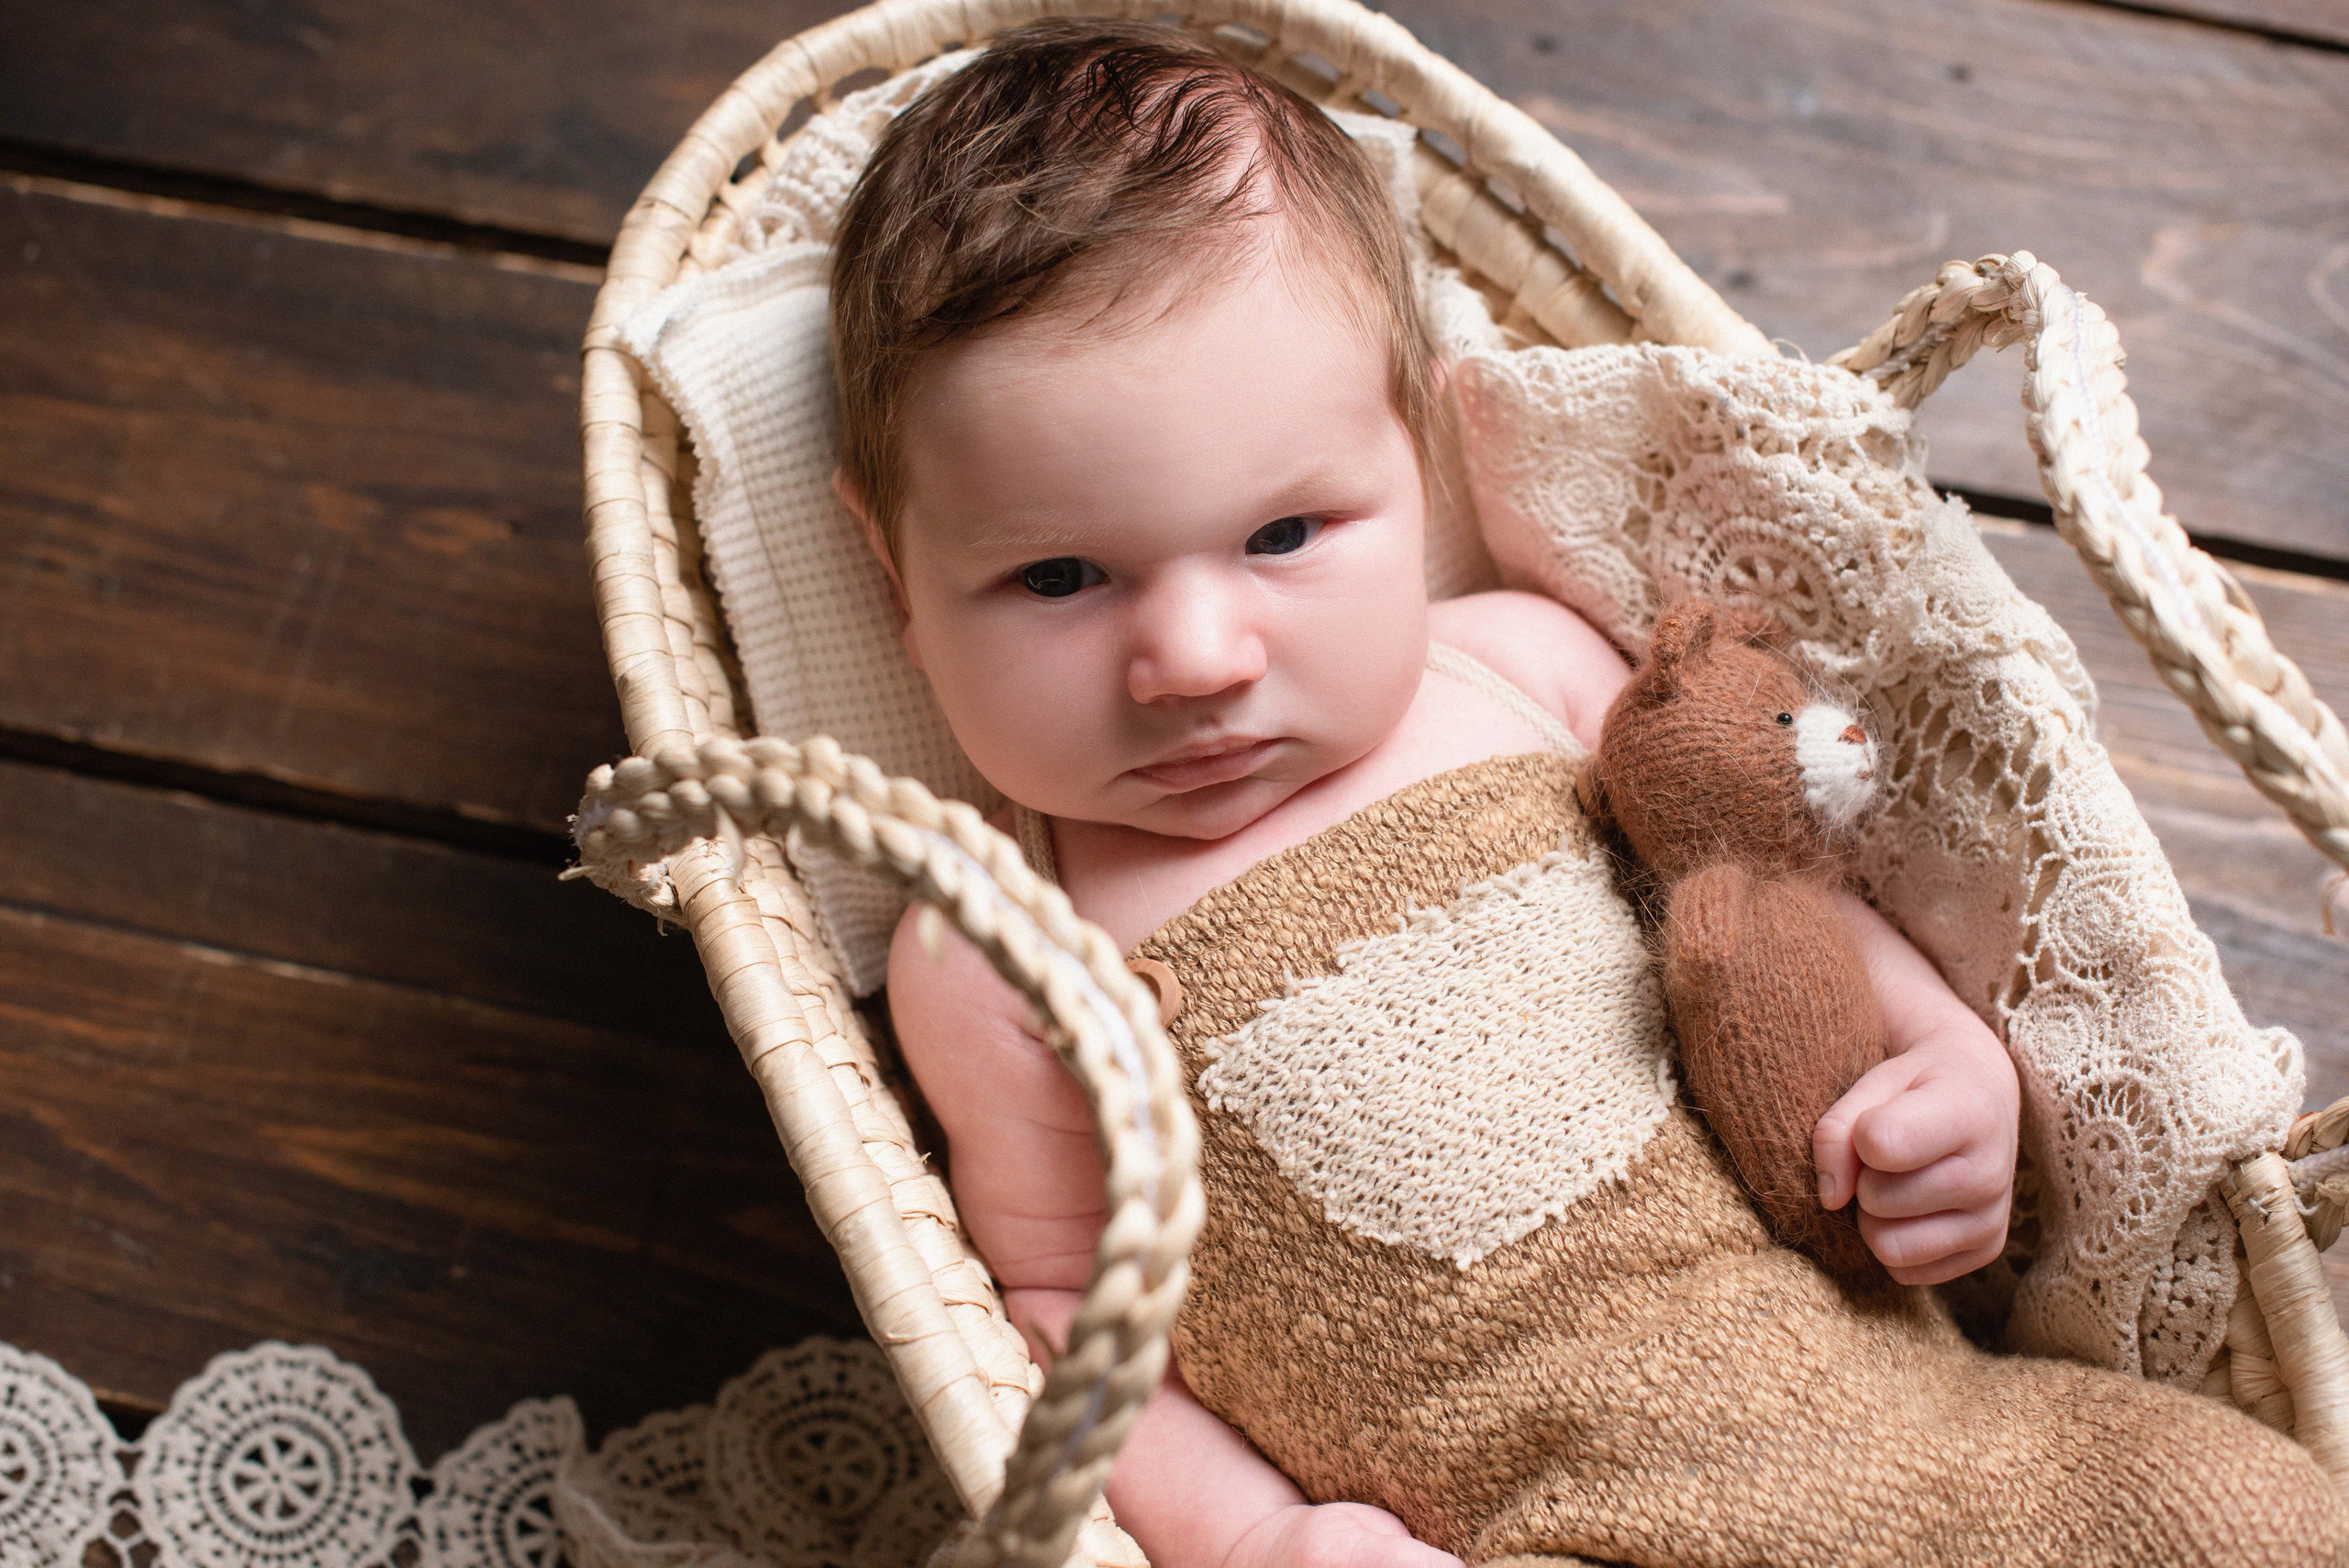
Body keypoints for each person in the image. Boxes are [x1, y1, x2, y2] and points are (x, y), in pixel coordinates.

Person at [828, 18, 2345, 1566]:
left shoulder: (1521, 673)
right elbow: (1072, 1324)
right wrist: (1257, 1536)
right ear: (897, 573)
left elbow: (1765, 892)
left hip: (1935, 1432)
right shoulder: (996, 943)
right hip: (1547, 1527)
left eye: (1284, 534)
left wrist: (1951, 1071)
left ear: (1414, 450)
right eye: (1060, 577)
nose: (1196, 658)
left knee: (2243, 1505)